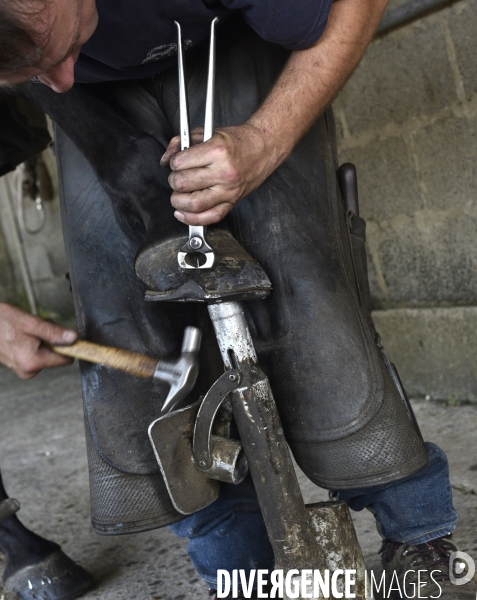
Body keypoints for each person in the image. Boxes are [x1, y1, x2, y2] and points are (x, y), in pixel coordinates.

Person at [0, 1, 474, 599]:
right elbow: (57, 72)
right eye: (39, 69)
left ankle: (420, 536)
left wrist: (264, 141)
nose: (62, 72)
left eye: (62, 50)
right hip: (90, 114)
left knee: (306, 293)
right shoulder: (57, 73)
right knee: (127, 348)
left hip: (230, 35)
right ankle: (241, 575)